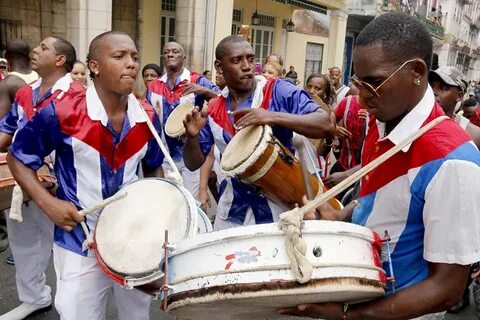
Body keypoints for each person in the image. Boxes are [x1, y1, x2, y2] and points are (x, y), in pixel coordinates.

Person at [278, 12, 480, 320]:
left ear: (416, 71)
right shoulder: (382, 118)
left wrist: (346, 314)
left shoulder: (453, 162)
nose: (360, 99)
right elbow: (389, 203)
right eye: (357, 81)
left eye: (373, 82)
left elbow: (446, 288)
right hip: (361, 290)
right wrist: (340, 216)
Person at [6, 31, 164, 320]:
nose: (131, 64)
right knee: (80, 314)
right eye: (119, 57)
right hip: (78, 238)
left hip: (132, 236)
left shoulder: (147, 116)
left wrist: (159, 214)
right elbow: (18, 157)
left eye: (134, 57)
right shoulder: (63, 111)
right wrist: (48, 204)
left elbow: (154, 167)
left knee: (136, 314)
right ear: (94, 66)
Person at [182, 35, 335, 230]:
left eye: (251, 59)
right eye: (237, 60)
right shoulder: (213, 108)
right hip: (231, 214)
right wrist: (193, 138)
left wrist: (270, 116)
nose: (247, 66)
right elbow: (192, 163)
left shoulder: (278, 90)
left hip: (280, 212)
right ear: (219, 67)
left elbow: (325, 123)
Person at [0, 36, 78, 320]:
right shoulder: (25, 93)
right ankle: (34, 298)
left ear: (60, 60)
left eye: (44, 48)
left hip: (63, 186)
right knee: (23, 242)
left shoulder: (78, 94)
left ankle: (75, 306)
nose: (35, 50)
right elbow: (7, 130)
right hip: (23, 179)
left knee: (67, 250)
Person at [146, 41, 218, 199]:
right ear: (163, 57)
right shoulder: (154, 87)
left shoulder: (197, 80)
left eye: (175, 52)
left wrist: (204, 91)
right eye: (166, 52)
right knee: (166, 203)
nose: (170, 54)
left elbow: (222, 99)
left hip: (190, 156)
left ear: (184, 58)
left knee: (189, 203)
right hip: (163, 156)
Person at [0, 39, 38, 259]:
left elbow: (3, 127)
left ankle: (20, 254)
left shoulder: (9, 83)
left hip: (18, 159)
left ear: (8, 57)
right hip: (44, 159)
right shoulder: (40, 79)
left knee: (21, 219)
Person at [429, 66, 480, 148]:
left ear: (459, 96)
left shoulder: (473, 135)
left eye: (443, 88)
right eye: (431, 86)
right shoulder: (415, 122)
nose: (433, 92)